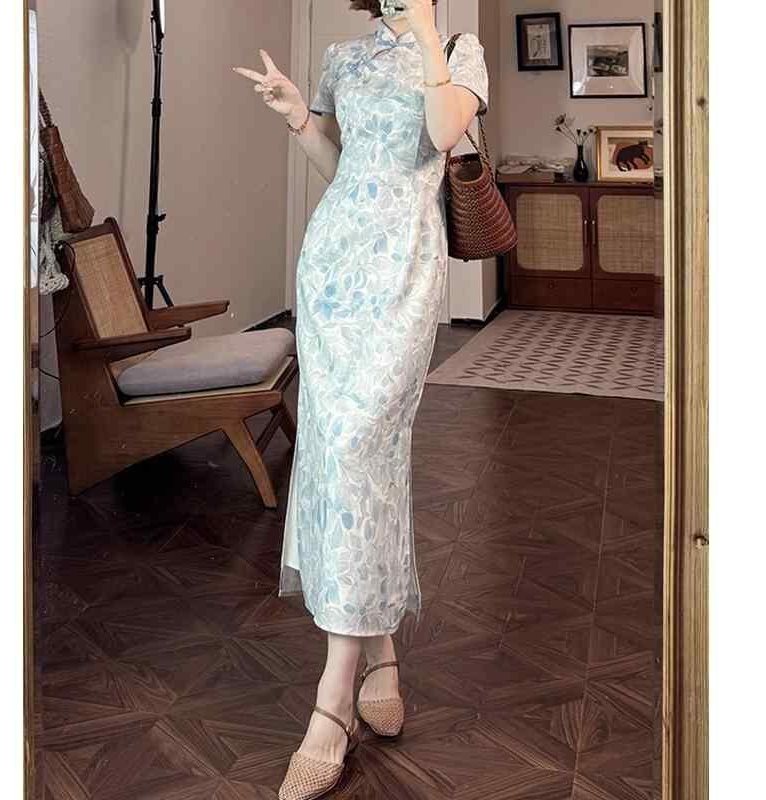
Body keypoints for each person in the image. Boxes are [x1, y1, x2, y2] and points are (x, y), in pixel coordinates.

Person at [233, 1, 488, 797]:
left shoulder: (459, 50)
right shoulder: (343, 57)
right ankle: (378, 655)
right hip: (333, 267)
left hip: (405, 272)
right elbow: (341, 167)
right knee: (343, 458)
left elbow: (443, 132)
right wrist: (296, 117)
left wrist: (425, 29)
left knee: (358, 449)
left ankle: (332, 702)